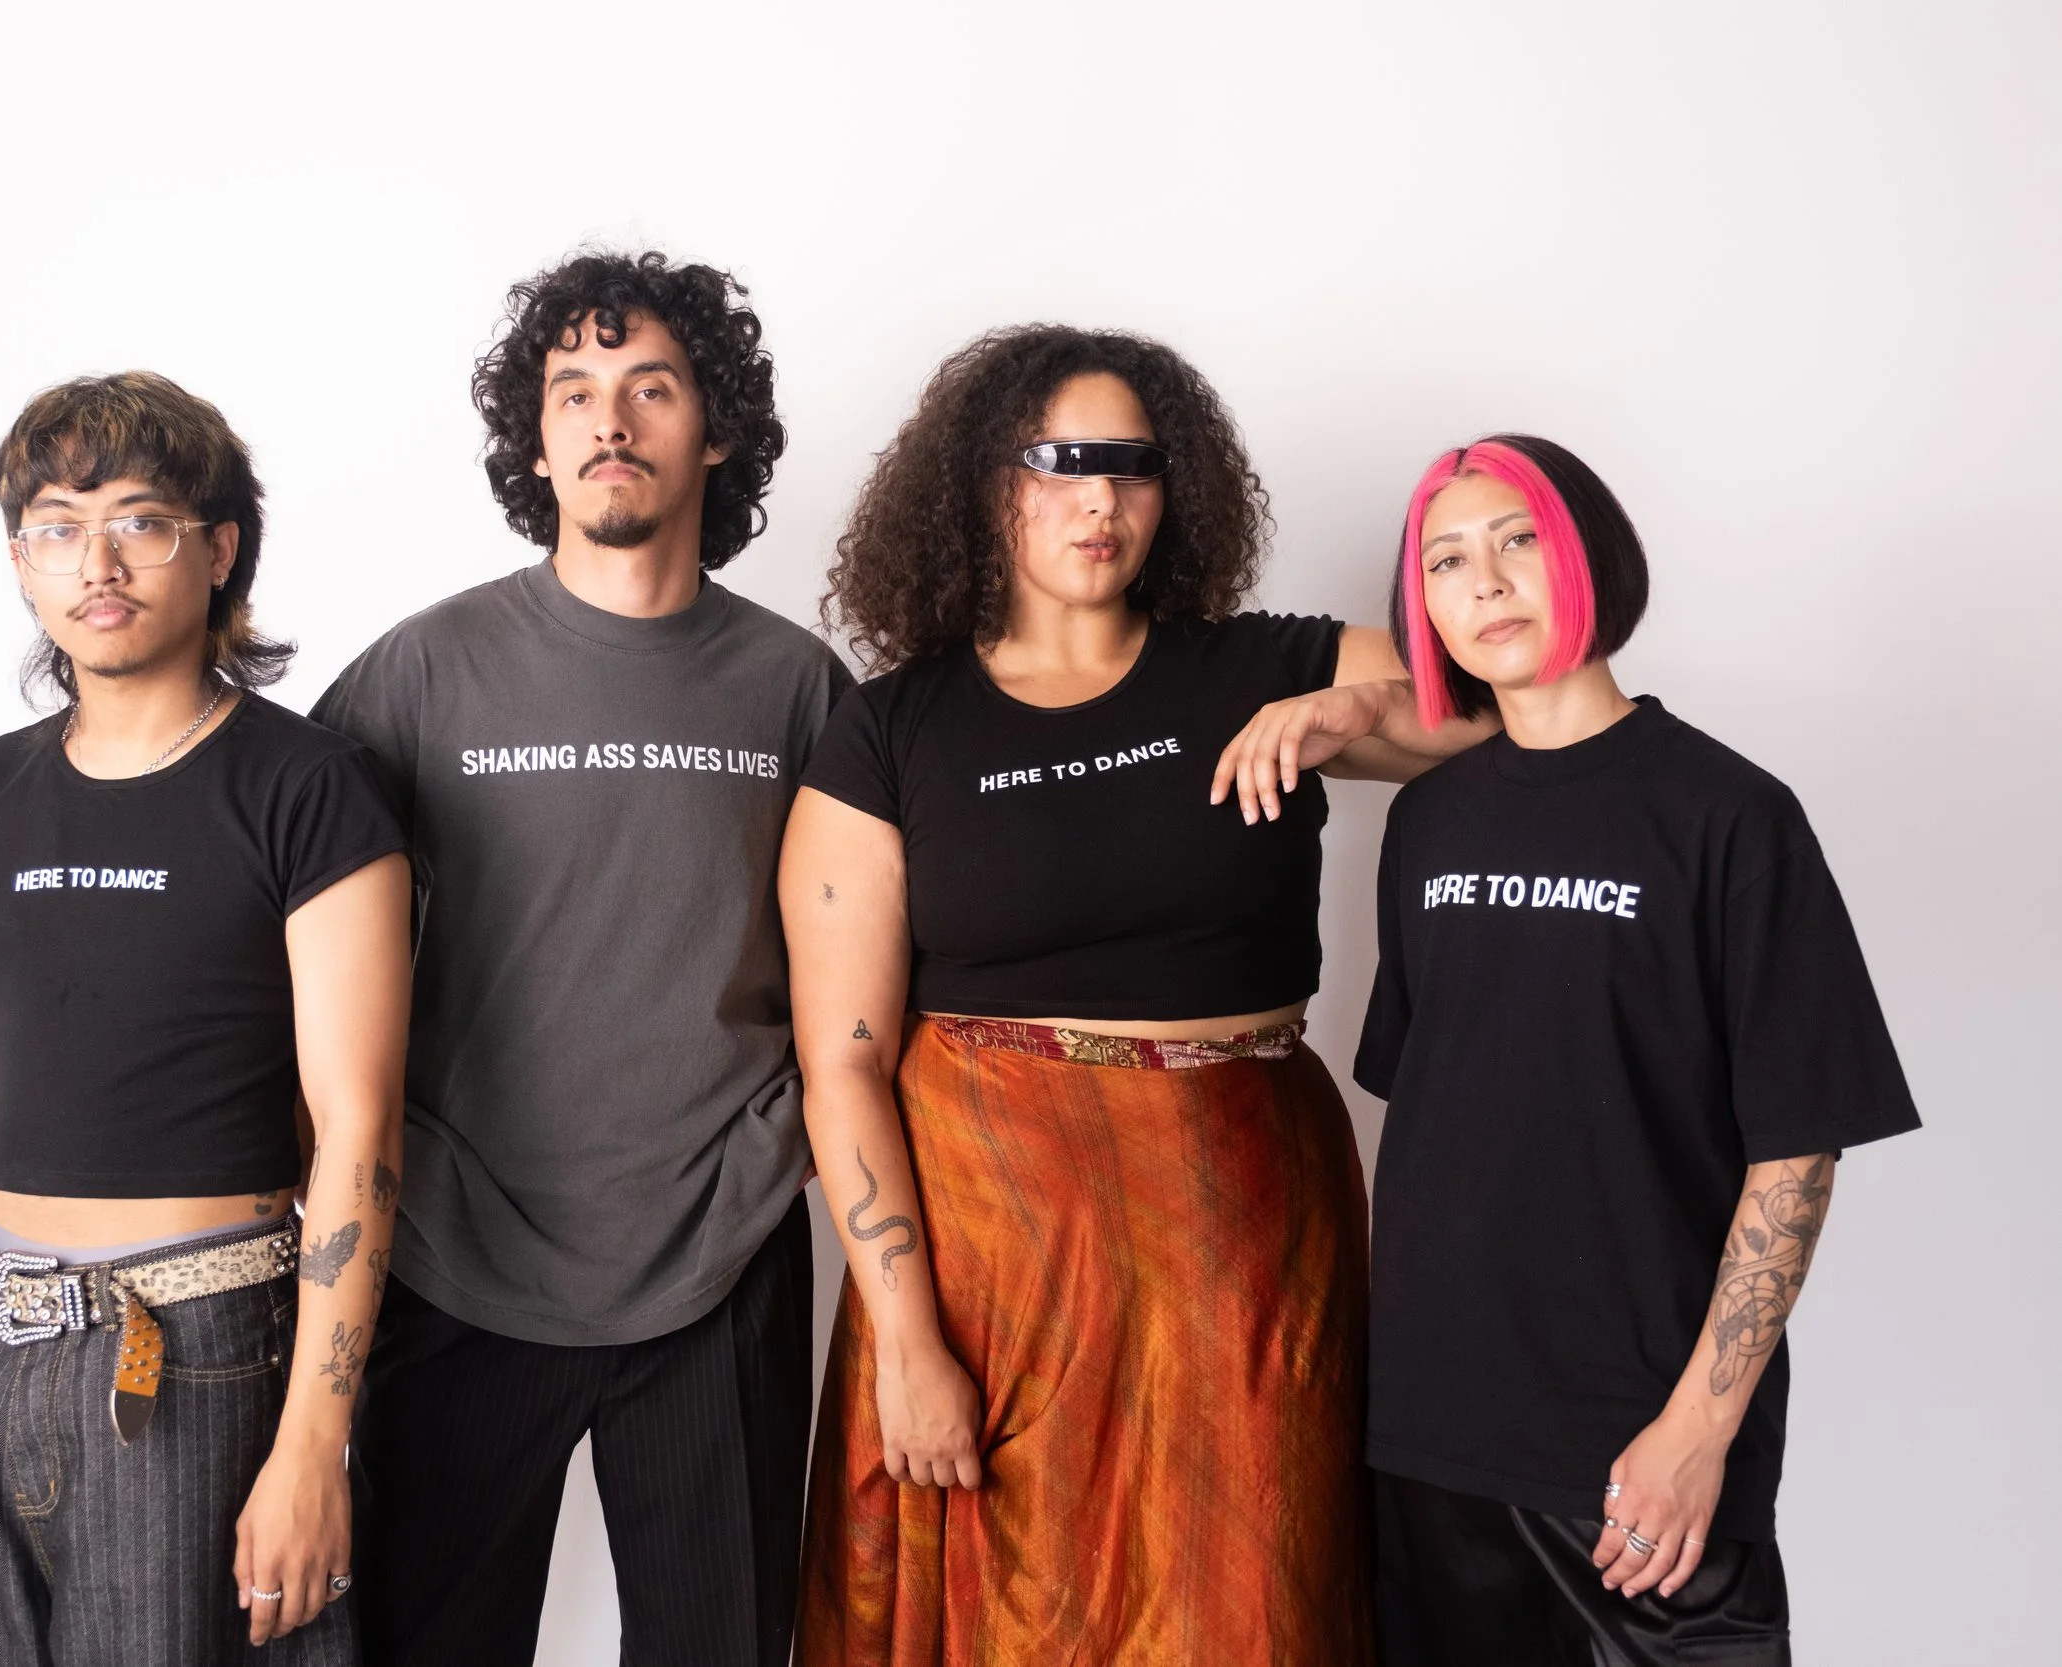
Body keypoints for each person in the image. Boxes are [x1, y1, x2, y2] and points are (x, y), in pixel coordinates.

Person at [784, 325, 1488, 1666]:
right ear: (982, 482)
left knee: (1252, 1607)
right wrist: (908, 1342)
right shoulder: (888, 729)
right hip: (994, 1272)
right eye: (1058, 463)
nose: (1099, 500)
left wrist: (1347, 711)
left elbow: (1514, 707)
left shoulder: (1267, 667)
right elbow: (846, 1063)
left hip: (1246, 1245)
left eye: (1132, 466)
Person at [311, 250, 851, 1666]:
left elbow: (870, 969)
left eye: (651, 387)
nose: (609, 419)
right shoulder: (417, 676)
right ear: (536, 440)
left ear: (715, 429)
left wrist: (790, 1140)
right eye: (573, 392)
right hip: (458, 1252)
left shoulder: (797, 687)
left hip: (720, 1252)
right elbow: (287, 945)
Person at [0, 372, 412, 1665]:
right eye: (55, 527)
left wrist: (314, 1441)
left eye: (140, 521)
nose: (96, 562)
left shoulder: (309, 789)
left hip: (203, 1351)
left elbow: (360, 1126)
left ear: (219, 548)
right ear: (21, 562)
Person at [1346, 434, 1919, 1665]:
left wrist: (1698, 1432)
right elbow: (1441, 1119)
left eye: (1517, 541)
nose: (1485, 581)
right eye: (1446, 560)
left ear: (1589, 557)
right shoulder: (1426, 820)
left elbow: (1796, 1152)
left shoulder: (1731, 816)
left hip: (1637, 1455)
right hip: (1430, 1439)